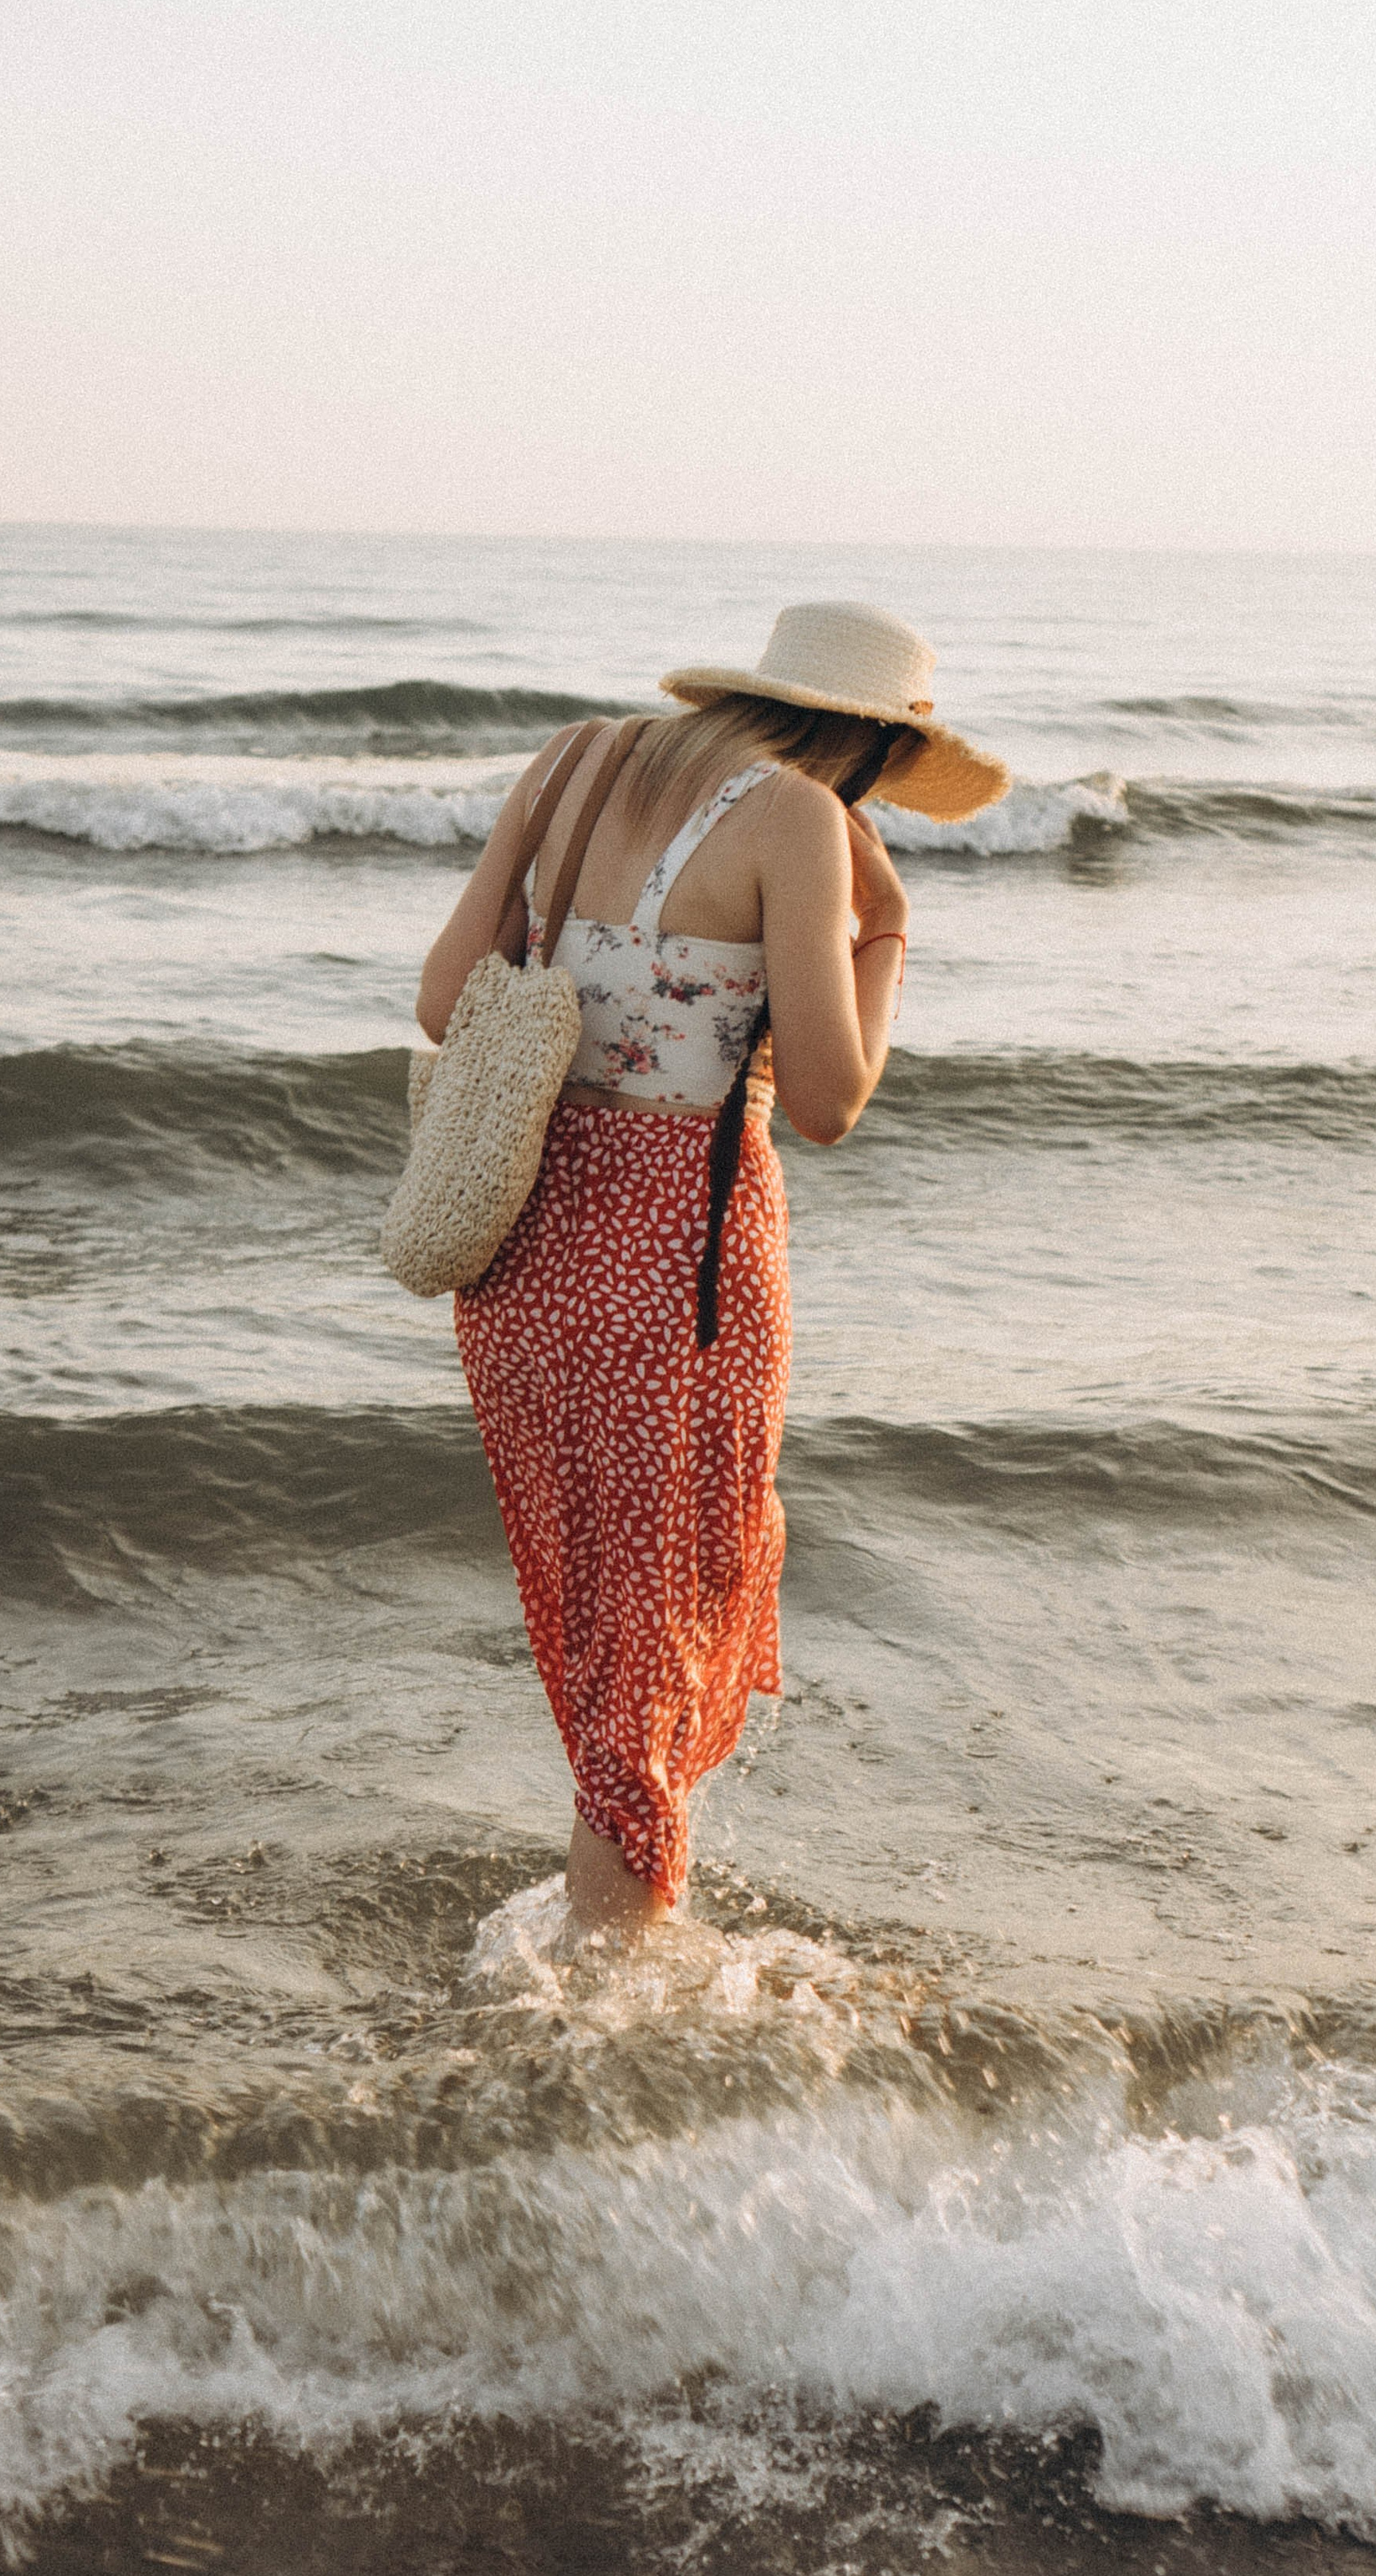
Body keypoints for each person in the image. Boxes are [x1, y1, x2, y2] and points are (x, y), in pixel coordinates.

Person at [415, 603, 1009, 1944]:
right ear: (863, 744)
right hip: (675, 1256)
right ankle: (613, 1994)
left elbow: (448, 997)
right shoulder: (797, 818)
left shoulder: (569, 761)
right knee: (666, 1614)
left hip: (523, 1249)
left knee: (606, 1613)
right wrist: (886, 930)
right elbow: (830, 1098)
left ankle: (607, 1941)